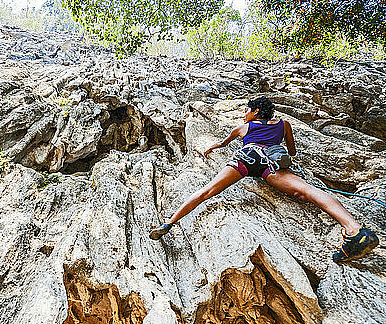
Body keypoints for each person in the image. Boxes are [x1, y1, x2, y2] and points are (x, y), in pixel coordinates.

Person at [149, 97, 379, 263]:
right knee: (307, 191)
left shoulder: (244, 127)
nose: (244, 113)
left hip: (246, 159)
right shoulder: (284, 125)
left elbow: (224, 143)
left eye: (247, 110)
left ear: (256, 111)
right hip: (271, 165)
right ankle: (355, 230)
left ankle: (169, 223)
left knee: (208, 191)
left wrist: (213, 147)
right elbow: (292, 151)